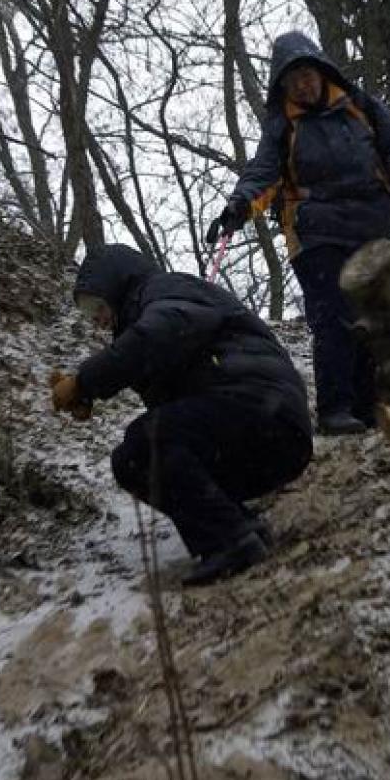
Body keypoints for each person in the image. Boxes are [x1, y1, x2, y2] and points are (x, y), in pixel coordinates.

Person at [50, 244, 313, 586]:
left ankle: (229, 541)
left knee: (146, 443)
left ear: (117, 285)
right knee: (133, 459)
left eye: (97, 306)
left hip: (262, 410)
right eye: (88, 314)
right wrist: (89, 391)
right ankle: (239, 528)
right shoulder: (149, 314)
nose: (97, 319)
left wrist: (85, 382)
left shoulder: (164, 289)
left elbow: (156, 335)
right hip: (265, 435)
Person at [207, 31, 390, 436]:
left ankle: (370, 402)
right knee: (334, 315)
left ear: (321, 72)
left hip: (373, 222)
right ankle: (335, 407)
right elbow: (263, 173)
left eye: (306, 74)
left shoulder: (358, 105)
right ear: (282, 86)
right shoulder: (282, 125)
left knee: (378, 315)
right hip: (317, 229)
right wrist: (239, 205)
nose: (302, 85)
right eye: (292, 80)